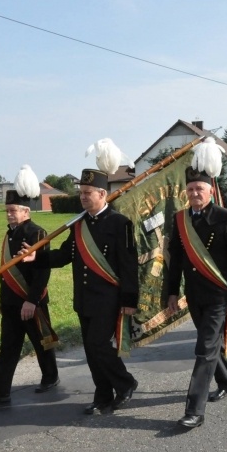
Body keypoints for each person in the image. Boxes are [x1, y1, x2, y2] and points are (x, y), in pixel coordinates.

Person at [167, 166, 227, 429]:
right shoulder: (180, 219)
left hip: (219, 294)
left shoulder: (226, 217)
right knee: (210, 343)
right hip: (194, 294)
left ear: (210, 191)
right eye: (191, 189)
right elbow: (176, 260)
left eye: (200, 189)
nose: (195, 193)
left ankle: (194, 410)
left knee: (204, 348)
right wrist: (172, 292)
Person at [49, 168, 139, 415]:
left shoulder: (120, 223)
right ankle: (102, 395)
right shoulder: (79, 225)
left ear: (102, 194)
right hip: (84, 299)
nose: (83, 197)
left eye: (88, 193)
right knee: (91, 350)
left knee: (98, 345)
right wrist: (37, 257)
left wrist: (130, 299)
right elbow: (64, 256)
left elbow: (129, 265)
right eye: (81, 193)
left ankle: (125, 383)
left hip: (109, 298)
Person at [0, 165, 60, 404]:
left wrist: (31, 301)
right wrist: (4, 302)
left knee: (42, 342)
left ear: (26, 211)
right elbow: (6, 274)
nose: (9, 214)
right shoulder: (10, 235)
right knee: (8, 346)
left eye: (13, 210)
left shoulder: (37, 233)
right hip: (12, 302)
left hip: (31, 300)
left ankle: (51, 377)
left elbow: (42, 271)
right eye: (7, 211)